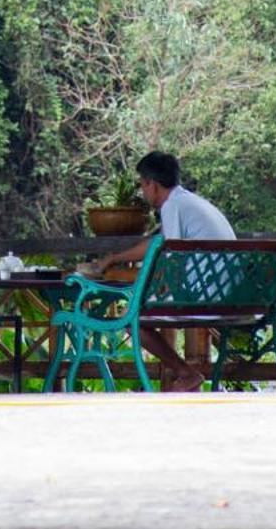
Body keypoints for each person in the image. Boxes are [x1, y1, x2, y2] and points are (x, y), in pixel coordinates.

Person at [81, 151, 234, 392]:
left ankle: (186, 373)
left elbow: (171, 257)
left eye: (142, 185)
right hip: (233, 293)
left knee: (134, 321)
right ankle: (186, 374)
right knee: (140, 313)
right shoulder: (186, 201)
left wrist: (144, 283)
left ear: (152, 184)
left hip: (207, 295)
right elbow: (159, 243)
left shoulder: (172, 205)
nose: (143, 191)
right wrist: (112, 259)